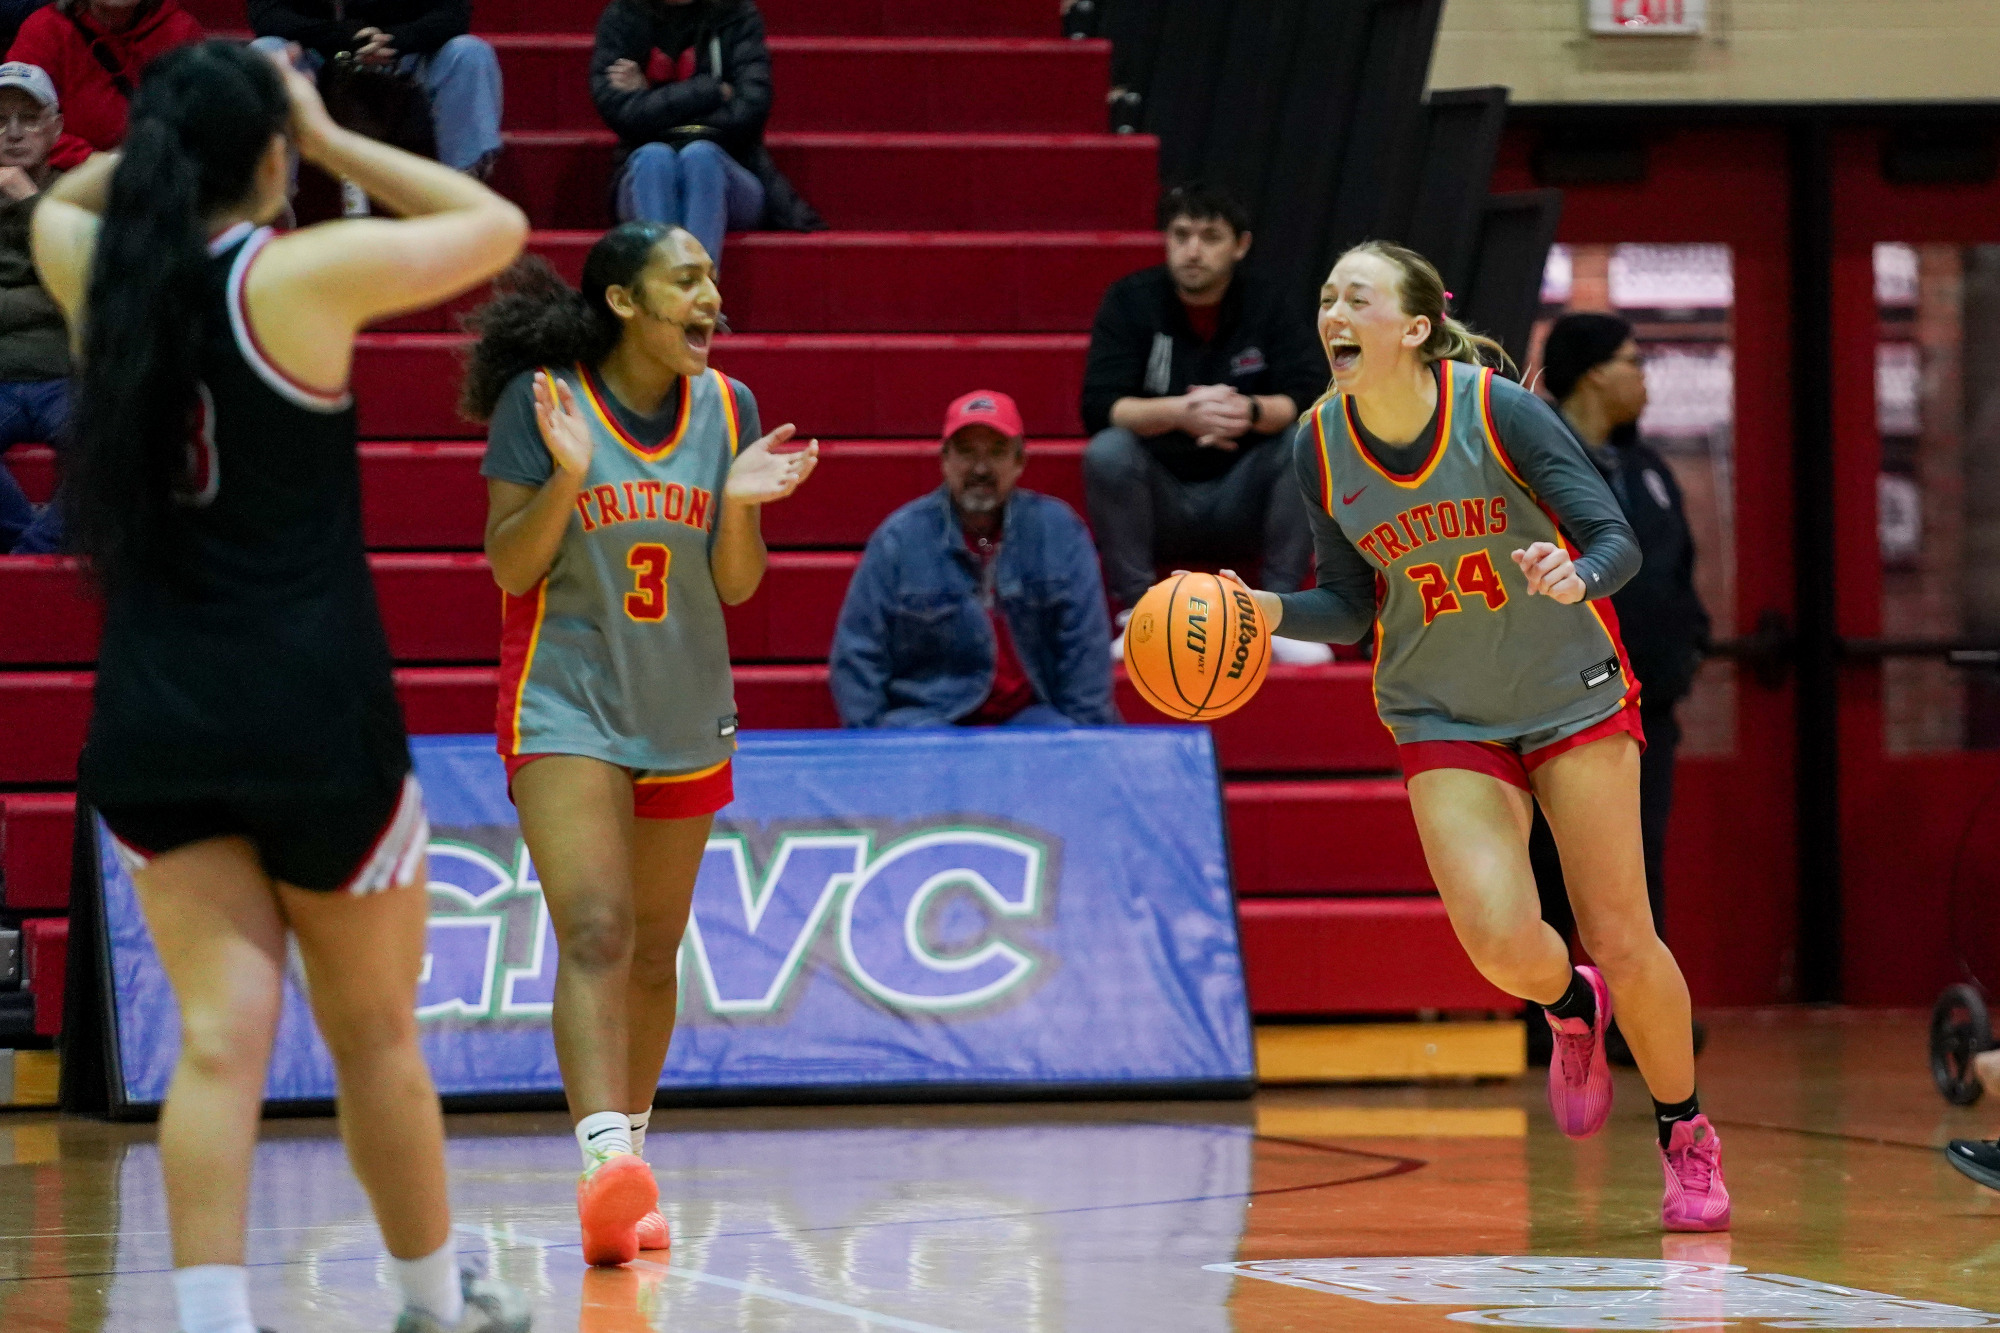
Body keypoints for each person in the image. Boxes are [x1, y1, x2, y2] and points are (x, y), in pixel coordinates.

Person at [32, 41, 531, 1333]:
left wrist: (172, 150)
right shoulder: (297, 277)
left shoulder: (101, 278)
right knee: (374, 1040)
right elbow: (496, 224)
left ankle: (211, 1319)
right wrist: (325, 130)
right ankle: (433, 1301)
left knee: (215, 1040)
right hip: (313, 712)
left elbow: (58, 202)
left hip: (156, 711)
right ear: (269, 158)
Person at [1241, 240, 1730, 1232]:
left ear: (1413, 328)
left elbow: (1614, 540)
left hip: (1571, 692)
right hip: (1441, 709)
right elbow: (1345, 604)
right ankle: (1564, 1008)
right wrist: (1260, 610)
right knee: (1500, 942)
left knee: (1621, 934)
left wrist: (1574, 575)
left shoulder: (1494, 409)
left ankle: (1684, 1133)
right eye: (1325, 294)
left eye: (1356, 297)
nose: (1332, 310)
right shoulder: (1316, 443)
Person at [463, 221, 818, 1267]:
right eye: (687, 278)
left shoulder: (728, 406)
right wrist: (568, 478)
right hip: (564, 704)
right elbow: (509, 570)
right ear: (624, 300)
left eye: (712, 277)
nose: (712, 294)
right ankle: (602, 1161)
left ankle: (632, 1169)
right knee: (595, 930)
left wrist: (741, 506)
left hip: (682, 707)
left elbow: (736, 584)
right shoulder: (545, 401)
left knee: (656, 955)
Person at [1528, 311, 1713, 1066]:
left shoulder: (1649, 471)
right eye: (1634, 360)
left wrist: (1689, 643)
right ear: (1596, 372)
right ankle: (1548, 1018)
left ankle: (1642, 1021)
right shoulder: (1537, 465)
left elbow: (1677, 574)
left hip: (1649, 707)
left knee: (1640, 863)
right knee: (1548, 863)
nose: (1645, 376)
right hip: (1558, 706)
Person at [1080, 182, 1329, 665]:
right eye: (1181, 234)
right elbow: (1099, 408)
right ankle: (1138, 613)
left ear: (1241, 245)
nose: (1192, 250)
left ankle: (1278, 616)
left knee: (1309, 440)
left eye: (1210, 236)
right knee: (1108, 451)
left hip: (1244, 495)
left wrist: (1250, 413)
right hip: (1160, 498)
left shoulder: (1270, 302)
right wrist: (1180, 413)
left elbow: (1312, 396)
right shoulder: (1130, 301)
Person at [830, 390, 1117, 729]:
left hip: (1033, 719)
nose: (981, 468)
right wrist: (874, 749)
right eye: (967, 452)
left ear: (1019, 461)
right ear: (945, 460)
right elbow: (858, 653)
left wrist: (1082, 745)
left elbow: (1086, 652)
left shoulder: (1060, 532)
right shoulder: (899, 539)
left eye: (996, 452)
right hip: (928, 720)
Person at [590, 0, 822, 278]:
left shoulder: (735, 14)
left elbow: (750, 110)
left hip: (730, 172)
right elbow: (620, 112)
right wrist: (710, 91)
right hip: (646, 176)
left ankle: (698, 297)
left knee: (700, 157)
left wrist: (649, 96)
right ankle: (665, 296)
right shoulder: (623, 16)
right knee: (655, 158)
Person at [246, 0, 503, 177]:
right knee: (266, 53)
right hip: (319, 58)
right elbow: (267, 16)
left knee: (470, 53)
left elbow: (454, 14)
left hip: (408, 57)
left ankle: (464, 192)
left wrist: (392, 41)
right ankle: (271, 201)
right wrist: (347, 39)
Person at [0, 61, 69, 553]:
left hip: (68, 377)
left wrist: (29, 203)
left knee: (127, 451)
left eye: (29, 117)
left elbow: (88, 288)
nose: (14, 133)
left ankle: (26, 560)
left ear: (56, 126)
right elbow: (61, 292)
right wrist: (48, 297)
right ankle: (33, 550)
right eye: (0, 121)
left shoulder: (81, 196)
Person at [7, 0, 201, 169]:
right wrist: (98, 163)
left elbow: (200, 127)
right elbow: (15, 126)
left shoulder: (180, 31)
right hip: (69, 182)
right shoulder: (45, 29)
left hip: (161, 183)